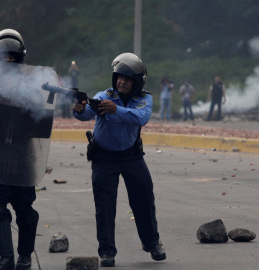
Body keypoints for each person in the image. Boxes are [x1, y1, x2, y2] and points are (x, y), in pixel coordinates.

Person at [73, 52, 166, 267]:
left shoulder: (144, 99)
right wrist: (79, 109)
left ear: (137, 83)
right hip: (104, 157)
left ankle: (152, 243)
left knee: (144, 199)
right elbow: (87, 111)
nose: (121, 82)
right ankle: (107, 251)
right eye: (118, 77)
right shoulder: (104, 96)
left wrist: (116, 110)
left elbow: (141, 118)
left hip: (131, 156)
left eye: (126, 79)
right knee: (104, 205)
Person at [0, 29, 39, 270]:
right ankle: (6, 257)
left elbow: (40, 124)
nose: (8, 62)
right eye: (3, 58)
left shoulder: (34, 86)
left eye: (12, 58)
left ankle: (25, 256)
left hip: (22, 156)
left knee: (24, 207)